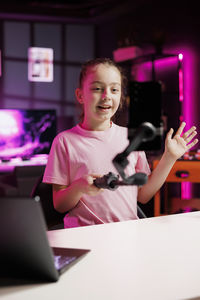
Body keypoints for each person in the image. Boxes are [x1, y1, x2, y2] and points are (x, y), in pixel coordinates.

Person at [43, 57, 198, 228]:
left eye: (114, 90)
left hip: (126, 233)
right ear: (80, 95)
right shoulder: (64, 142)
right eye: (97, 88)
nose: (106, 96)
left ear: (121, 96)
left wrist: (169, 157)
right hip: (83, 235)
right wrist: (79, 187)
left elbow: (143, 195)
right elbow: (59, 204)